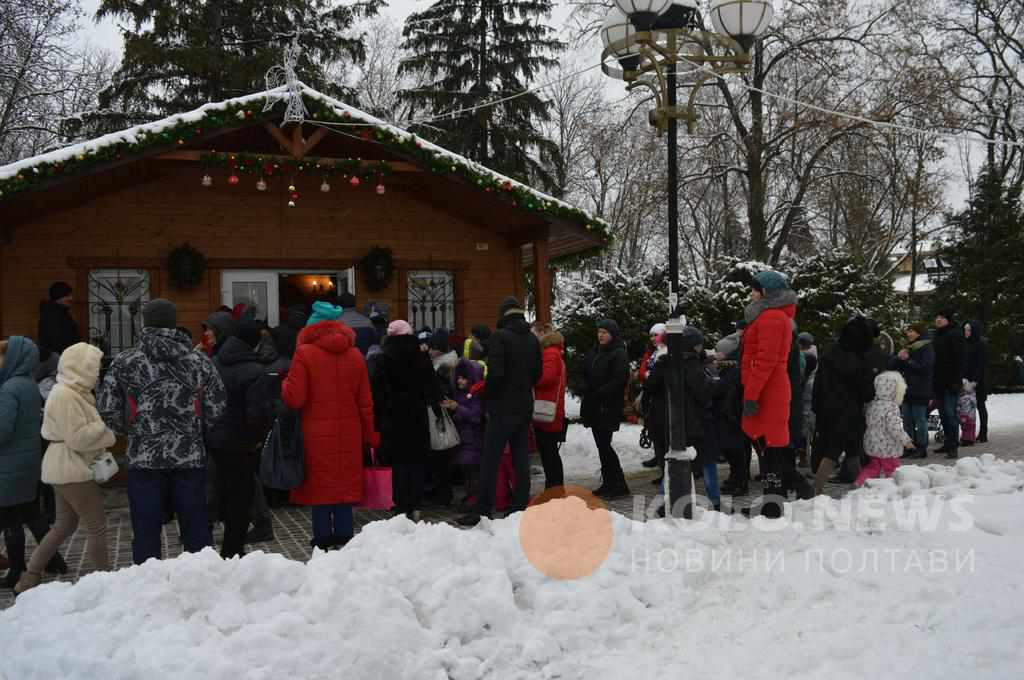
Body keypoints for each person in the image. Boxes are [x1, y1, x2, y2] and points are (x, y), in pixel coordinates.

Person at [98, 299, 226, 565]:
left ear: (144, 322)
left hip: (144, 458)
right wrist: (195, 428)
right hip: (189, 456)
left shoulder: (125, 361)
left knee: (145, 528)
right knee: (196, 526)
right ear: (173, 322)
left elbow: (108, 409)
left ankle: (148, 586)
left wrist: (134, 429)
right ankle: (201, 581)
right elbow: (217, 407)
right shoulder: (198, 361)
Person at [15, 343, 116, 594]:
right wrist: (105, 429)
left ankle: (31, 574)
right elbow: (78, 438)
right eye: (93, 367)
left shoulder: (71, 391)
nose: (97, 372)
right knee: (96, 525)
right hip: (71, 467)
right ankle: (105, 581)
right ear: (81, 368)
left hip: (63, 464)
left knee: (64, 525)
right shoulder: (67, 395)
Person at [282, 307, 376, 550]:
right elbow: (365, 402)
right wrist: (370, 436)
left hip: (315, 433)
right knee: (344, 486)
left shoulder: (304, 353)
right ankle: (345, 537)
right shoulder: (356, 355)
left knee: (320, 487)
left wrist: (284, 383)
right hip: (349, 432)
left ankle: (322, 540)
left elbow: (295, 398)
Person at [458, 297, 542, 525]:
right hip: (524, 405)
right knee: (520, 458)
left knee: (490, 459)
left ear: (503, 315)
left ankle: (482, 509)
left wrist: (486, 395)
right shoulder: (533, 340)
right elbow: (537, 375)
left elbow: (495, 374)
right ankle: (519, 507)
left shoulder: (500, 337)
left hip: (502, 407)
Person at [740, 271, 813, 518]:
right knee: (768, 447)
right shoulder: (769, 316)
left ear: (767, 292)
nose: (751, 293)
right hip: (767, 389)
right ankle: (777, 497)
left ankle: (774, 503)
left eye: (755, 289)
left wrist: (751, 395)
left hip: (768, 391)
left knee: (770, 447)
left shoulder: (771, 317)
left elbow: (765, 361)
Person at [1, 338, 66, 588]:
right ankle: (54, 560)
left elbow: (3, 430)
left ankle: (16, 570)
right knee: (31, 512)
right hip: (27, 459)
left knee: (10, 518)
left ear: (14, 358)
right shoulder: (28, 384)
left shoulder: (8, 389)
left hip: (9, 462)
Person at [206, 319, 268, 558]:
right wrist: (256, 439)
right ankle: (232, 551)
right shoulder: (253, 371)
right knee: (240, 499)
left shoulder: (214, 363)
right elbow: (257, 414)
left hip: (215, 439)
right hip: (242, 443)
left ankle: (209, 548)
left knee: (216, 491)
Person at [372, 320, 438, 522]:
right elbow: (432, 389)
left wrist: (379, 417)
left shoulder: (382, 359)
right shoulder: (422, 357)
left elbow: (377, 392)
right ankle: (416, 504)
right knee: (417, 461)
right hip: (417, 416)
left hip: (393, 417)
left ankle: (400, 504)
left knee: (399, 463)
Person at [812, 316, 876, 493]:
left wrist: (817, 406)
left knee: (851, 448)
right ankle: (816, 491)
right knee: (836, 450)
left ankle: (860, 487)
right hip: (849, 411)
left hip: (827, 409)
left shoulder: (829, 353)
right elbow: (867, 392)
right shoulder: (860, 360)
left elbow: (818, 383)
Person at [580, 318, 630, 499]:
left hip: (607, 406)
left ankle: (618, 483)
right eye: (599, 331)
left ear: (612, 334)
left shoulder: (618, 353)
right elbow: (584, 371)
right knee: (602, 446)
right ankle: (610, 482)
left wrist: (601, 392)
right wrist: (584, 385)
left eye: (605, 332)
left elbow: (620, 378)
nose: (601, 335)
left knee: (605, 445)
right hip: (594, 405)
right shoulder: (595, 351)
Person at [856, 372, 914, 486]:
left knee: (873, 467)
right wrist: (906, 440)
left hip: (872, 442)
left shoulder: (872, 404)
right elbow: (894, 427)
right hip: (888, 446)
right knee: (892, 469)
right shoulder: (891, 407)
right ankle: (895, 488)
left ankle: (861, 482)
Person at [890, 322, 934, 459]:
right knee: (907, 420)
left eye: (911, 331)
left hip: (920, 389)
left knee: (920, 419)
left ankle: (922, 447)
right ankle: (909, 446)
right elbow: (895, 365)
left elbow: (926, 368)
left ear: (919, 333)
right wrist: (898, 358)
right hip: (906, 389)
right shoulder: (908, 348)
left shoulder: (927, 348)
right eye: (908, 331)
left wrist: (908, 361)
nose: (908, 334)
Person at [713, 334, 749, 497]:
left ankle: (740, 482)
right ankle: (735, 479)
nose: (715, 354)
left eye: (718, 351)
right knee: (731, 451)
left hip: (732, 416)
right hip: (729, 415)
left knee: (735, 451)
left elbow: (726, 390)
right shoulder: (727, 369)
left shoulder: (733, 371)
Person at [447, 359, 485, 509]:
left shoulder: (475, 395)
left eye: (463, 378)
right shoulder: (461, 394)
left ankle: (474, 496)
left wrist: (457, 408)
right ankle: (470, 494)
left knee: (472, 469)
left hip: (473, 439)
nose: (459, 381)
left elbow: (475, 416)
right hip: (464, 438)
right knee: (466, 470)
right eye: (458, 377)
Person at [534, 328, 567, 490]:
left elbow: (546, 378)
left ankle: (554, 485)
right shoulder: (556, 354)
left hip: (546, 409)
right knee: (550, 450)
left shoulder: (550, 354)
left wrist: (531, 377)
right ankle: (555, 484)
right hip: (552, 408)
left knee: (549, 451)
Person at [931, 311, 964, 458]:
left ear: (948, 320)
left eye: (942, 317)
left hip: (951, 382)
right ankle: (948, 442)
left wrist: (956, 381)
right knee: (943, 414)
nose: (938, 319)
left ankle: (953, 446)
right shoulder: (936, 335)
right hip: (938, 382)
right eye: (937, 317)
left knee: (950, 414)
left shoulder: (955, 334)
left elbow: (959, 359)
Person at [961, 320, 989, 445]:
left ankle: (983, 432)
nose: (966, 332)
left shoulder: (980, 344)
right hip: (965, 381)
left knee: (980, 406)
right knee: (967, 408)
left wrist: (975, 381)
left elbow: (981, 365)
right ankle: (968, 434)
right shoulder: (964, 343)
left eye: (969, 330)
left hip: (978, 381)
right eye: (965, 330)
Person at [37, 282, 80, 357]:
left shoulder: (62, 312)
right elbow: (55, 341)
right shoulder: (51, 315)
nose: (71, 298)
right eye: (67, 296)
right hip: (58, 359)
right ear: (58, 297)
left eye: (70, 295)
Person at [796, 332, 818, 468]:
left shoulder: (805, 357)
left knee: (805, 431)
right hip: (810, 399)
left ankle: (806, 458)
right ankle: (808, 458)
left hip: (806, 399)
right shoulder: (813, 356)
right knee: (810, 431)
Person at [337, 292, 377, 356]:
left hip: (345, 360)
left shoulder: (336, 323)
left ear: (339, 306)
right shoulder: (367, 321)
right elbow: (375, 344)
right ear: (355, 303)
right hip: (364, 360)